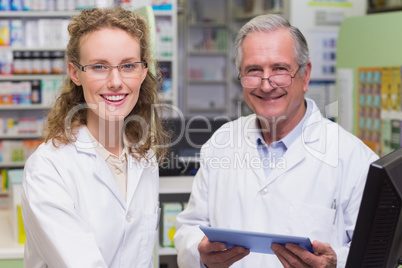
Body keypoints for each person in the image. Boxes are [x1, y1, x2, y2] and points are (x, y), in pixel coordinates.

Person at [174, 14, 378, 268]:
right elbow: (189, 228)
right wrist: (199, 253)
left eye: (280, 69)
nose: (266, 84)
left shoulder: (354, 159)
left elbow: (376, 255)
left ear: (306, 75)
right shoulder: (221, 143)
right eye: (253, 70)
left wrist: (335, 264)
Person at [21, 7, 167, 268]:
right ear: (75, 73)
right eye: (99, 66)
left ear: (143, 71)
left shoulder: (144, 158)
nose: (115, 81)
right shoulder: (48, 168)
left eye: (128, 66)